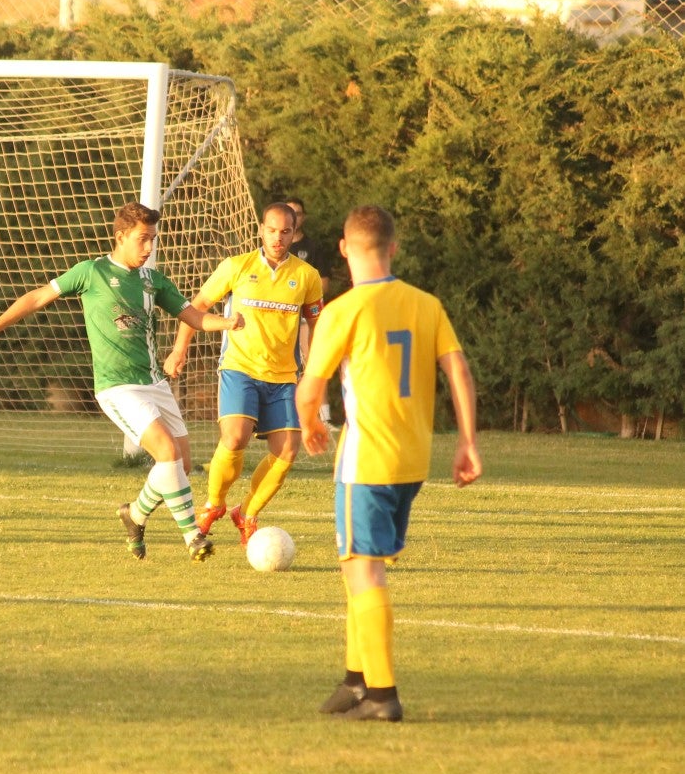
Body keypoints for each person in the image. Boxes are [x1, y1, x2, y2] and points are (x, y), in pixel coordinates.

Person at [0, 202, 244, 562]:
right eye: (142, 239)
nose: (148, 248)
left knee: (180, 467)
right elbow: (36, 298)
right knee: (167, 454)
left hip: (154, 384)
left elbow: (193, 317)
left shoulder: (153, 281)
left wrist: (227, 323)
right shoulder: (90, 272)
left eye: (152, 240)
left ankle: (135, 516)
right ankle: (193, 537)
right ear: (121, 237)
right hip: (117, 387)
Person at [296, 205, 482, 722]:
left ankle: (381, 695)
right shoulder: (426, 304)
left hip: (366, 461)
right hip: (412, 460)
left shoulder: (344, 310)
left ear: (343, 248)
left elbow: (311, 386)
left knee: (364, 573)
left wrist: (309, 423)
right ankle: (355, 681)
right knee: (357, 565)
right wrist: (467, 441)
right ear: (393, 248)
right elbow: (459, 372)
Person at [163, 202, 324, 546]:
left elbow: (316, 321)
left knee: (288, 451)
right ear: (261, 229)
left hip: (283, 377)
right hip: (240, 369)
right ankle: (213, 505)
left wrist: (315, 366)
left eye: (285, 231)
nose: (278, 238)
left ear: (294, 233)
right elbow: (195, 308)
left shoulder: (307, 277)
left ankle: (246, 512)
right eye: (271, 229)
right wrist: (180, 349)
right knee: (235, 438)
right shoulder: (236, 267)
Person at [287, 196, 337, 429]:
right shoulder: (276, 246)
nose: (294, 217)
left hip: (307, 316)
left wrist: (303, 291)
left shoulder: (312, 248)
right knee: (286, 365)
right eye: (289, 212)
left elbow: (324, 283)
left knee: (314, 361)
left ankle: (324, 416)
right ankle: (289, 415)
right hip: (282, 316)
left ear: (303, 217)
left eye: (297, 212)